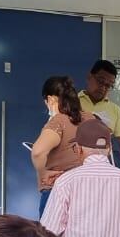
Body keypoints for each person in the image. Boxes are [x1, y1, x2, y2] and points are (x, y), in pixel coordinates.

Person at [30, 75, 84, 214]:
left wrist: (43, 173)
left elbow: (38, 152)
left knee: (50, 235)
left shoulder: (58, 122)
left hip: (57, 190)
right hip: (87, 190)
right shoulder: (92, 118)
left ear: (50, 100)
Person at [78, 59, 120, 166]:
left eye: (109, 85)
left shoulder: (116, 110)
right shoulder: (72, 103)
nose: (103, 88)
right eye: (100, 81)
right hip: (75, 165)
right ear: (89, 76)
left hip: (105, 167)